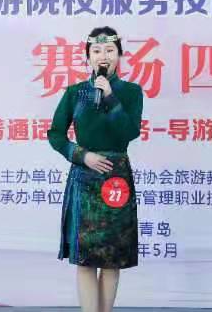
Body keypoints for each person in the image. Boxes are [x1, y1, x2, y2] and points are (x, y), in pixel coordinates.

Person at [47, 26, 144, 312]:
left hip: (116, 181)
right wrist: (82, 155)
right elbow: (56, 134)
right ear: (88, 57)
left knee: (112, 260)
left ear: (120, 55)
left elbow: (129, 132)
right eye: (97, 51)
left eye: (110, 50)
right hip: (84, 178)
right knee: (85, 259)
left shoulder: (131, 92)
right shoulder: (75, 93)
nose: (104, 56)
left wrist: (111, 97)